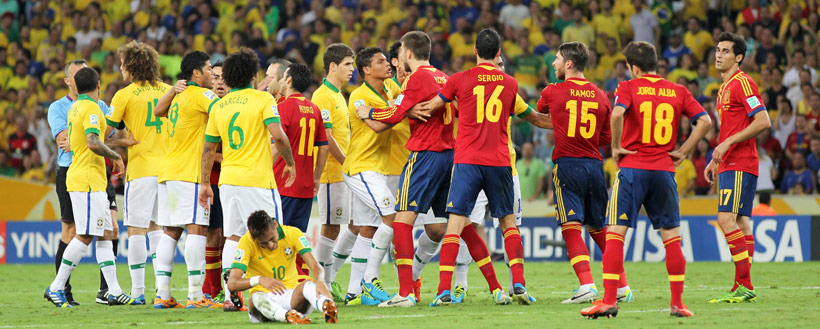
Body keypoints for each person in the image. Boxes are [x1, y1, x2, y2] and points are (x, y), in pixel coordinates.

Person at [581, 41, 711, 319]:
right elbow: (706, 122)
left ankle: (608, 301)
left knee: (616, 233)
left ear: (634, 67)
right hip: (664, 170)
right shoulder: (678, 90)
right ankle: (677, 304)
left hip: (633, 168)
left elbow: (617, 114)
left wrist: (615, 147)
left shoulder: (628, 87)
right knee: (672, 238)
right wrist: (684, 152)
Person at [417, 28, 532, 306]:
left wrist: (409, 108)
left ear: (474, 51)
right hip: (500, 162)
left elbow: (432, 107)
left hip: (467, 161)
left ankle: (444, 289)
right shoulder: (511, 84)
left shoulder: (459, 80)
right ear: (499, 53)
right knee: (508, 224)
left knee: (455, 225)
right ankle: (518, 282)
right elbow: (523, 114)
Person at [353, 31, 454, 307]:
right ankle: (471, 287)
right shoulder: (442, 77)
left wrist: (369, 113)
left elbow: (393, 114)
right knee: (455, 223)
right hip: (448, 154)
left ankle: (406, 292)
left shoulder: (417, 78)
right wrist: (407, 110)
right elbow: (407, 108)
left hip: (424, 155)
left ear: (407, 53)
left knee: (400, 222)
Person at [199, 48, 296, 312]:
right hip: (258, 180)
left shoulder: (219, 106)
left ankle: (232, 297)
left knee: (233, 236)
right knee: (274, 233)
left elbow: (208, 149)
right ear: (253, 75)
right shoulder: (263, 100)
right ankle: (278, 293)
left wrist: (205, 183)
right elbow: (279, 136)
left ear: (228, 76)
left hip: (229, 181)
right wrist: (289, 162)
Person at [536, 41, 633, 305]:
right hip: (594, 166)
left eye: (556, 59)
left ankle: (587, 285)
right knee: (598, 227)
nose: (553, 63)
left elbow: (539, 112)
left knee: (570, 227)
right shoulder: (601, 95)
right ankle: (622, 286)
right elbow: (604, 136)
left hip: (568, 165)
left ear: (568, 63)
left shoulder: (553, 91)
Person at [44, 67, 135, 307]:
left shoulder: (75, 107)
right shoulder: (92, 108)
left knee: (107, 233)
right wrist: (116, 155)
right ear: (98, 85)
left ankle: (112, 290)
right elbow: (93, 142)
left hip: (90, 178)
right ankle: (56, 287)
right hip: (86, 179)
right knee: (84, 235)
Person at [104, 41, 173, 306]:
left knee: (136, 230)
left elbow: (101, 137)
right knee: (158, 229)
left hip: (142, 170)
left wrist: (122, 144)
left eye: (122, 64)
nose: (121, 69)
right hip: (168, 171)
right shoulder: (169, 91)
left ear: (131, 67)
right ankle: (161, 291)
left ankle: (137, 291)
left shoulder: (125, 94)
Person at [152, 50, 222, 308]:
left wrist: (172, 90)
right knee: (197, 229)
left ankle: (162, 294)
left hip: (169, 171)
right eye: (207, 69)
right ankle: (195, 295)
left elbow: (158, 111)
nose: (212, 74)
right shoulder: (203, 94)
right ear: (195, 72)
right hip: (190, 173)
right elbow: (224, 112)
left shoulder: (178, 96)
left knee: (170, 232)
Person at [704, 32, 771, 303]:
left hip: (740, 163)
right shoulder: (723, 88)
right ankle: (741, 286)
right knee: (742, 222)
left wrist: (727, 144)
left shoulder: (742, 83)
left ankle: (744, 284)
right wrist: (715, 157)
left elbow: (763, 120)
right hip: (732, 161)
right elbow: (732, 128)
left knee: (725, 220)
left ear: (739, 57)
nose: (719, 54)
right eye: (718, 50)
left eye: (726, 51)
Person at [340, 47, 399, 305]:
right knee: (391, 215)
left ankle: (354, 292)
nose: (387, 64)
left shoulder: (391, 89)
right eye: (381, 61)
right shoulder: (358, 97)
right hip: (361, 167)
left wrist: (399, 107)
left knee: (368, 228)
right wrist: (397, 111)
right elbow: (375, 126)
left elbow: (401, 103)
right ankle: (369, 280)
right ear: (366, 69)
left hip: (378, 168)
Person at [227, 210, 338, 324]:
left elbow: (314, 265)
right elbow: (232, 283)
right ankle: (287, 316)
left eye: (271, 239)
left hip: (292, 296)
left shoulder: (293, 233)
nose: (270, 245)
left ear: (275, 225)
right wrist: (259, 280)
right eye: (264, 244)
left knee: (308, 285)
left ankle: (326, 305)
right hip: (264, 301)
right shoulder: (247, 241)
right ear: (254, 237)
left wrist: (320, 281)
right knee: (255, 298)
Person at [310, 43, 356, 302]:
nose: (352, 69)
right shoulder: (323, 96)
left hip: (344, 171)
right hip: (332, 172)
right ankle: (321, 281)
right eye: (348, 64)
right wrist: (346, 164)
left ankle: (327, 278)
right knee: (330, 227)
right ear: (333, 66)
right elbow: (325, 136)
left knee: (350, 226)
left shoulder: (339, 94)